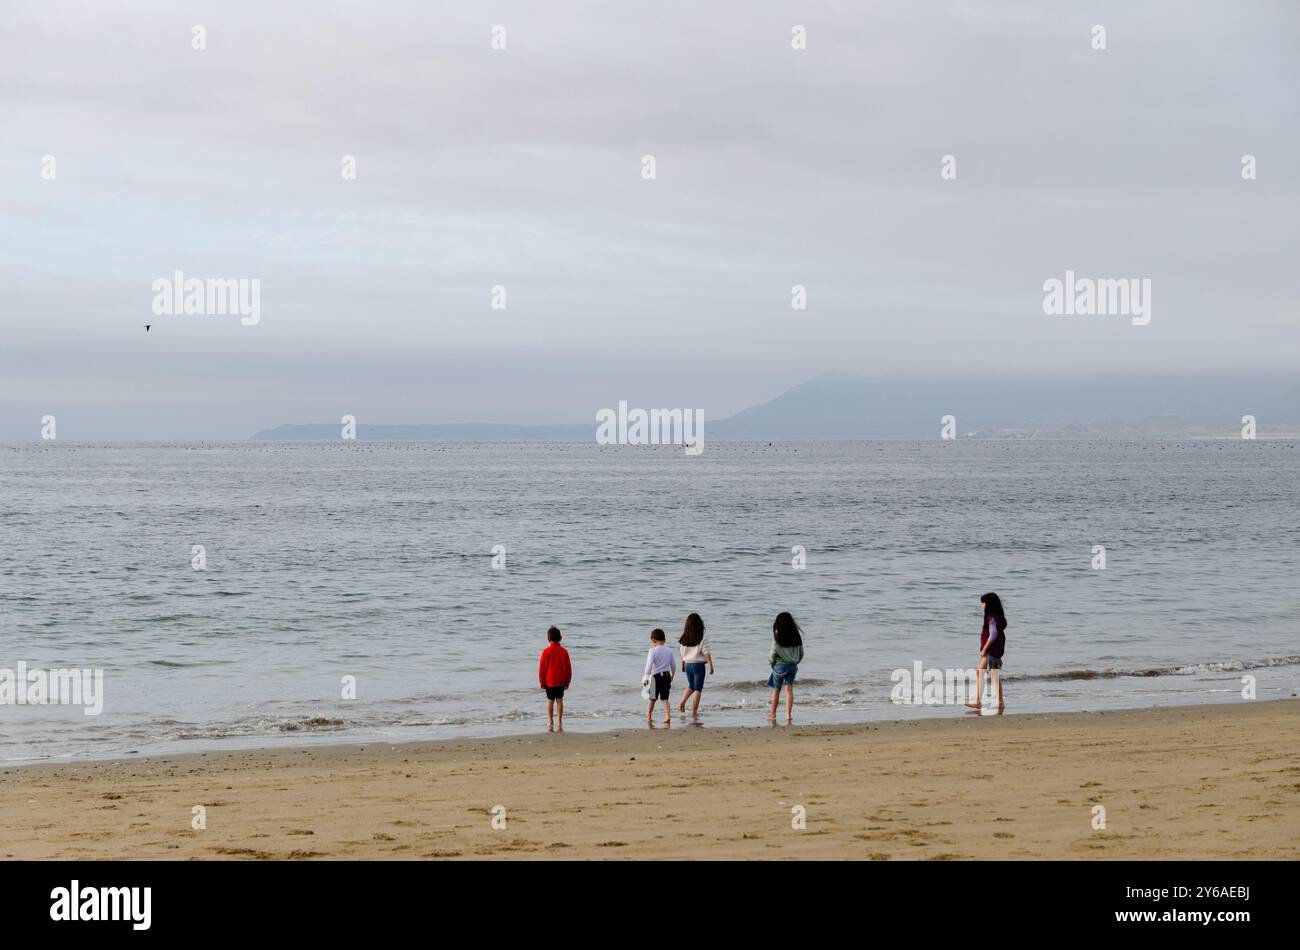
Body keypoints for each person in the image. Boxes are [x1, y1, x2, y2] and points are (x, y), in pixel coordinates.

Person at [965, 593, 1007, 713]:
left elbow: (993, 635)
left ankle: (999, 702)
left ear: (988, 604)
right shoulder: (998, 616)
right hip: (996, 649)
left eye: (983, 603)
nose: (981, 605)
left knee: (993, 675)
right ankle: (980, 702)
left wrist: (984, 648)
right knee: (981, 672)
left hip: (991, 650)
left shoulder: (991, 617)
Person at [767, 612, 804, 723]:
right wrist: (796, 661)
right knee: (789, 689)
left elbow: (772, 655)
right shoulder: (796, 637)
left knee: (776, 689)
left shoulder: (778, 639)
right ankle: (788, 715)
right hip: (792, 666)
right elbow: (801, 653)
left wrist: (772, 663)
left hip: (779, 667)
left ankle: (773, 713)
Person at [677, 612, 714, 717]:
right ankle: (694, 711)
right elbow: (706, 652)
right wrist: (711, 665)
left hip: (688, 664)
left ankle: (682, 701)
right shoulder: (702, 637)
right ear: (700, 624)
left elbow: (682, 652)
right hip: (699, 666)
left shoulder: (684, 638)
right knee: (698, 688)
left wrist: (682, 664)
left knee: (691, 686)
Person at [538, 625, 572, 731]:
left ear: (548, 639)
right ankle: (559, 721)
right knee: (560, 701)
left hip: (549, 682)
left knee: (550, 701)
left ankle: (550, 720)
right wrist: (567, 681)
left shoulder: (545, 652)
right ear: (560, 638)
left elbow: (541, 669)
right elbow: (568, 668)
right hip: (561, 681)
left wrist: (542, 682)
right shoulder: (564, 652)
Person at [643, 628, 675, 725]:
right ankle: (667, 716)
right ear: (664, 640)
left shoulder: (652, 651)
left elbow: (648, 666)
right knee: (665, 698)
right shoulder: (669, 650)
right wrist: (672, 675)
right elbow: (673, 665)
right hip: (666, 676)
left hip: (655, 678)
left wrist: (645, 677)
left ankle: (649, 717)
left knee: (652, 699)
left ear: (653, 640)